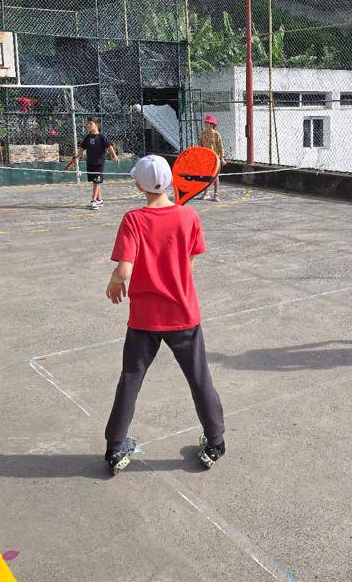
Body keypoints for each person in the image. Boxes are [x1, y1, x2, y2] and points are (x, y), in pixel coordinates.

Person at [103, 154, 226, 474]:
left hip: (144, 318)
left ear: (138, 185)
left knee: (130, 379)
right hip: (183, 313)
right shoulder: (189, 217)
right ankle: (215, 442)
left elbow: (125, 269)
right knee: (199, 378)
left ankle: (115, 447)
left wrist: (115, 281)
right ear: (171, 181)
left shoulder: (133, 219)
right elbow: (189, 264)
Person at [65, 118, 120, 209]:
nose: (88, 125)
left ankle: (93, 201)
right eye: (88, 124)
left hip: (99, 163)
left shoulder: (102, 137)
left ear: (96, 125)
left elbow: (109, 147)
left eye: (90, 124)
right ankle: (99, 200)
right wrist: (77, 158)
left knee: (96, 182)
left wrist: (115, 156)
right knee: (96, 182)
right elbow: (82, 148)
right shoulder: (88, 137)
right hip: (90, 163)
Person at [198, 114, 225, 201]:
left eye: (208, 122)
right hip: (206, 158)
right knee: (205, 176)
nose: (206, 124)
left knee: (215, 177)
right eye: (205, 122)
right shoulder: (203, 134)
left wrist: (222, 158)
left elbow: (220, 147)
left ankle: (216, 195)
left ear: (212, 124)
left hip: (215, 158)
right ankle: (206, 193)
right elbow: (200, 146)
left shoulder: (216, 134)